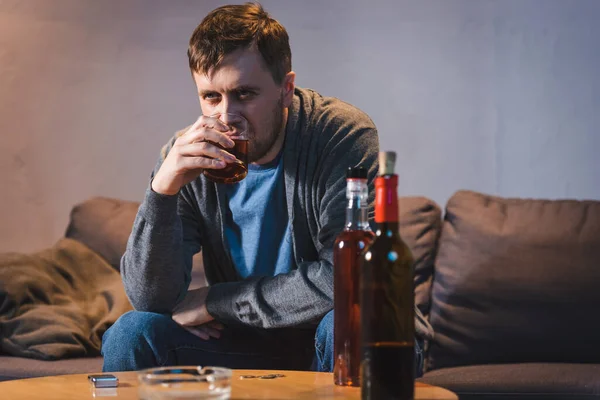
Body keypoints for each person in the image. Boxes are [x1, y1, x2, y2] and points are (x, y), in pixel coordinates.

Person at [101, 2, 433, 374]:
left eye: (244, 94)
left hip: (354, 331)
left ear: (286, 88)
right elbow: (150, 299)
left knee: (344, 324)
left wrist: (216, 301)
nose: (226, 116)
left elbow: (345, 277)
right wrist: (162, 191)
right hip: (250, 340)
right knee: (133, 331)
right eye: (211, 97)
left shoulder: (341, 134)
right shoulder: (186, 155)